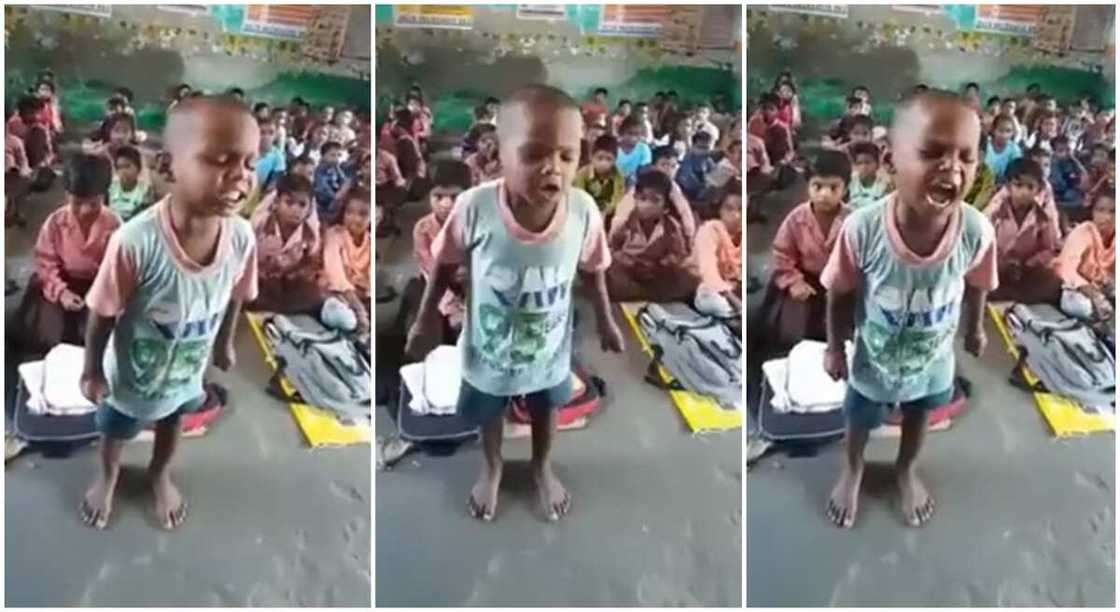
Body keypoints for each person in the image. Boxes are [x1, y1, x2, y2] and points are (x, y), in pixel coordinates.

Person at [406, 85, 625, 522]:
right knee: (490, 405)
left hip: (548, 341)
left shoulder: (582, 210)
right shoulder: (475, 206)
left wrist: (606, 319)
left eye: (566, 156)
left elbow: (594, 266)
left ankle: (542, 465)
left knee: (546, 405)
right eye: (534, 155)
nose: (554, 169)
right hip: (489, 341)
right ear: (499, 156)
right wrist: (424, 319)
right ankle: (493, 465)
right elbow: (445, 263)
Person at [78, 97, 259, 530]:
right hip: (128, 374)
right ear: (167, 166)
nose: (240, 176)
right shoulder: (135, 242)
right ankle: (109, 474)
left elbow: (236, 294)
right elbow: (101, 313)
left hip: (186, 371)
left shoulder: (242, 238)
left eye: (250, 163)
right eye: (220, 159)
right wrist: (92, 372)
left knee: (173, 421)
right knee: (115, 429)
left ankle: (160, 473)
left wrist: (225, 341)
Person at [820, 92, 997, 529]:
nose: (952, 169)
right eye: (931, 153)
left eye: (966, 157)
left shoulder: (976, 230)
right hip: (873, 354)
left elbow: (978, 284)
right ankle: (854, 468)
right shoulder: (862, 229)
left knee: (920, 413)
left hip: (933, 356)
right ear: (889, 159)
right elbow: (838, 292)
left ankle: (905, 468)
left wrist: (975, 330)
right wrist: (833, 348)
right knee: (858, 417)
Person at [16, 153, 120, 356]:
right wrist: (62, 292)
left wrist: (97, 297)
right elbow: (45, 264)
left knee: (94, 338)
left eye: (93, 203)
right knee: (51, 339)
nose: (84, 210)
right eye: (77, 202)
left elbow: (115, 271)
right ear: (66, 195)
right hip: (60, 283)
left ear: (104, 195)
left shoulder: (114, 225)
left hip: (99, 287)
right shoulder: (55, 222)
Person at [758, 151, 851, 349]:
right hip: (806, 279)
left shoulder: (853, 220)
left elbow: (859, 258)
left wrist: (844, 286)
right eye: (817, 186)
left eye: (834, 187)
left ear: (845, 189)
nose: (824, 194)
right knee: (791, 333)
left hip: (842, 282)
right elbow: (782, 254)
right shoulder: (796, 218)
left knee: (846, 332)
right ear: (807, 186)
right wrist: (794, 282)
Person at [605, 168, 697, 302]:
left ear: (665, 207)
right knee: (610, 277)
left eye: (655, 200)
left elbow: (678, 254)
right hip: (628, 269)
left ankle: (644, 293)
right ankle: (645, 294)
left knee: (689, 280)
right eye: (642, 199)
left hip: (657, 271)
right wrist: (629, 263)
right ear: (635, 199)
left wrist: (661, 265)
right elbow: (614, 249)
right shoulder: (625, 223)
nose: (647, 205)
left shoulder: (672, 227)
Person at [984, 158, 1062, 303]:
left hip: (1026, 268)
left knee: (1052, 282)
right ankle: (1005, 293)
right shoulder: (995, 211)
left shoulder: (1044, 216)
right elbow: (982, 242)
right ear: (1008, 187)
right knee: (976, 278)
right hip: (996, 265)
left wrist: (1031, 262)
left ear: (1038, 190)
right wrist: (1002, 261)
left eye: (1030, 187)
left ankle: (1010, 294)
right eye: (1018, 185)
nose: (1024, 192)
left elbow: (1050, 248)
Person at [249, 173, 325, 314]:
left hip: (288, 283)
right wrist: (259, 254)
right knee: (248, 294)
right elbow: (243, 259)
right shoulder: (261, 224)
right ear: (276, 203)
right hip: (259, 279)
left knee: (313, 295)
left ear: (309, 210)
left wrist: (294, 267)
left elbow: (312, 265)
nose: (296, 209)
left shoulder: (309, 235)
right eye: (289, 202)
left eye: (302, 205)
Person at [412, 160, 471, 336]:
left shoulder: (478, 222)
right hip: (437, 286)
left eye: (454, 197)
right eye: (438, 197)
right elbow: (429, 270)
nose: (446, 204)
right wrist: (452, 307)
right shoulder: (422, 229)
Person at [1053, 189, 1115, 322]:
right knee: (1085, 307)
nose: (1106, 217)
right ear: (1092, 212)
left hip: (1104, 289)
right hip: (1076, 290)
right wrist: (1093, 294)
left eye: (1113, 212)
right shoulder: (1082, 232)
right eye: (1100, 210)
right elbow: (1066, 269)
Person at [322, 185, 371, 338]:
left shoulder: (371, 242)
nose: (355, 219)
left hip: (360, 297)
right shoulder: (334, 235)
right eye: (349, 212)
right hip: (334, 293)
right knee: (346, 319)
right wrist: (358, 308)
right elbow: (335, 274)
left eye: (363, 214)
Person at [693, 180, 742, 319]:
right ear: (719, 209)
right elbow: (708, 273)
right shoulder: (709, 230)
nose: (736, 216)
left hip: (734, 288)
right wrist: (735, 302)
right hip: (709, 290)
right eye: (729, 208)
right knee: (715, 301)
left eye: (741, 209)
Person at [573, 134, 625, 217]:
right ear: (592, 157)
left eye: (609, 159)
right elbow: (579, 195)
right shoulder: (582, 174)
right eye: (600, 158)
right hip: (586, 208)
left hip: (607, 209)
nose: (603, 163)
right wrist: (591, 211)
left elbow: (617, 197)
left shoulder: (618, 174)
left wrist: (606, 211)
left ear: (615, 160)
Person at [108, 145, 152, 221]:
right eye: (119, 168)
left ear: (138, 168)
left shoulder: (146, 190)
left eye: (127, 166)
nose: (123, 172)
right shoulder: (110, 188)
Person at [847, 142, 890, 209]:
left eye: (868, 162)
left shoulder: (885, 184)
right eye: (859, 163)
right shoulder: (850, 182)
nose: (864, 167)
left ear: (877, 164)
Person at [676, 130, 715, 203]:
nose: (703, 151)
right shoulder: (687, 159)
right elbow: (687, 182)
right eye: (700, 148)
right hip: (686, 194)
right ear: (693, 147)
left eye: (706, 148)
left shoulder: (708, 160)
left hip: (703, 196)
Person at [314, 141, 348, 219]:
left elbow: (344, 181)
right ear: (323, 156)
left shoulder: (336, 168)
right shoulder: (319, 171)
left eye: (338, 155)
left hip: (336, 200)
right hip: (323, 204)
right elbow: (323, 189)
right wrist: (336, 197)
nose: (336, 159)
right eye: (332, 155)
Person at [985, 114, 1023, 181]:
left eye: (1008, 131)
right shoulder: (985, 145)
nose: (1004, 135)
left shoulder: (1014, 149)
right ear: (993, 130)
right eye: (1001, 130)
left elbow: (1016, 171)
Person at [615, 116, 652, 183]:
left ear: (642, 134)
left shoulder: (643, 149)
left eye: (637, 134)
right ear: (622, 132)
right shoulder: (613, 147)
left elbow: (644, 172)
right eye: (630, 133)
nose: (633, 138)